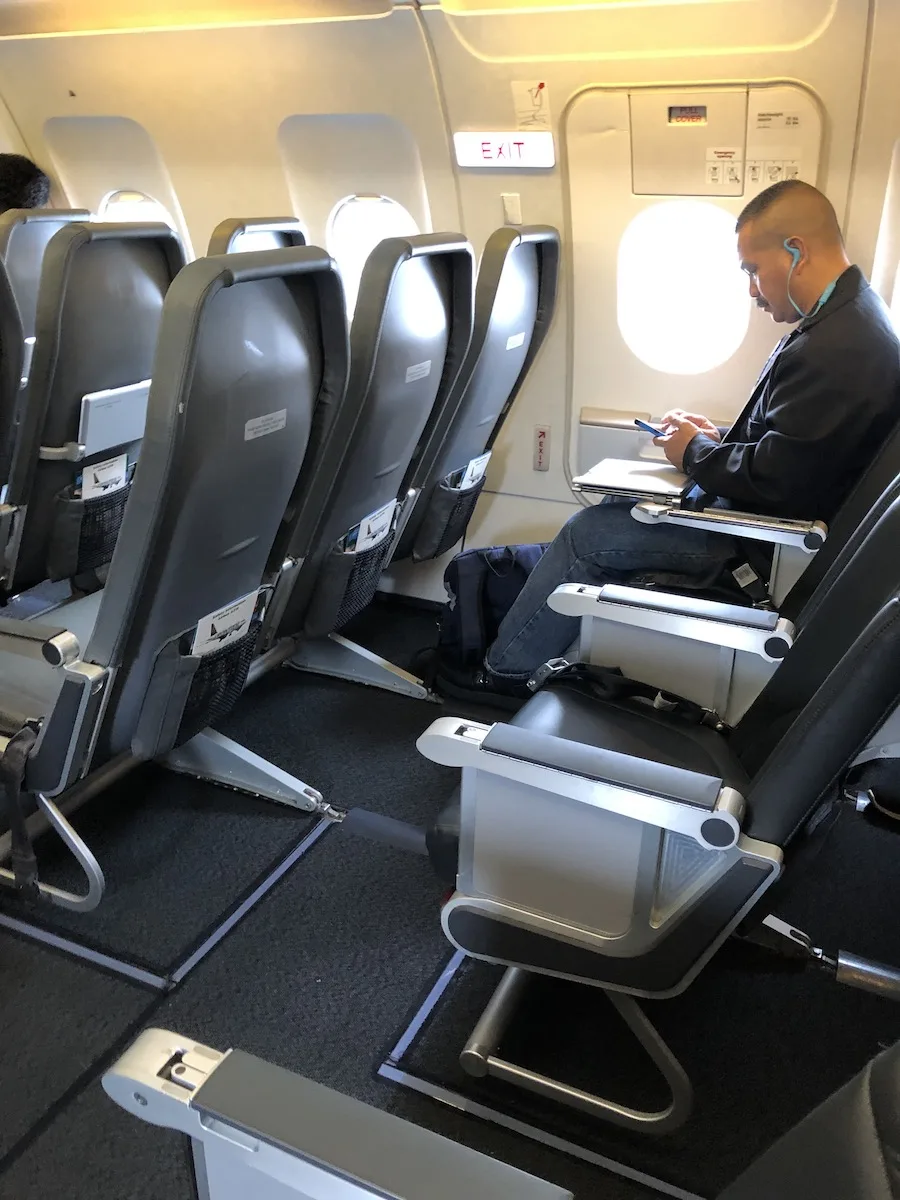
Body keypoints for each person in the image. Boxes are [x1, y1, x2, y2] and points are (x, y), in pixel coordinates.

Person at [435, 179, 900, 706]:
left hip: (762, 546)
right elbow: (793, 446)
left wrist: (694, 454)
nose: (751, 289)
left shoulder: (838, 349)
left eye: (752, 269)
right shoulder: (847, 319)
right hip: (760, 520)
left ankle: (505, 673)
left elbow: (779, 482)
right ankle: (541, 652)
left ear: (796, 250)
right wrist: (713, 438)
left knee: (589, 533)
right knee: (619, 509)